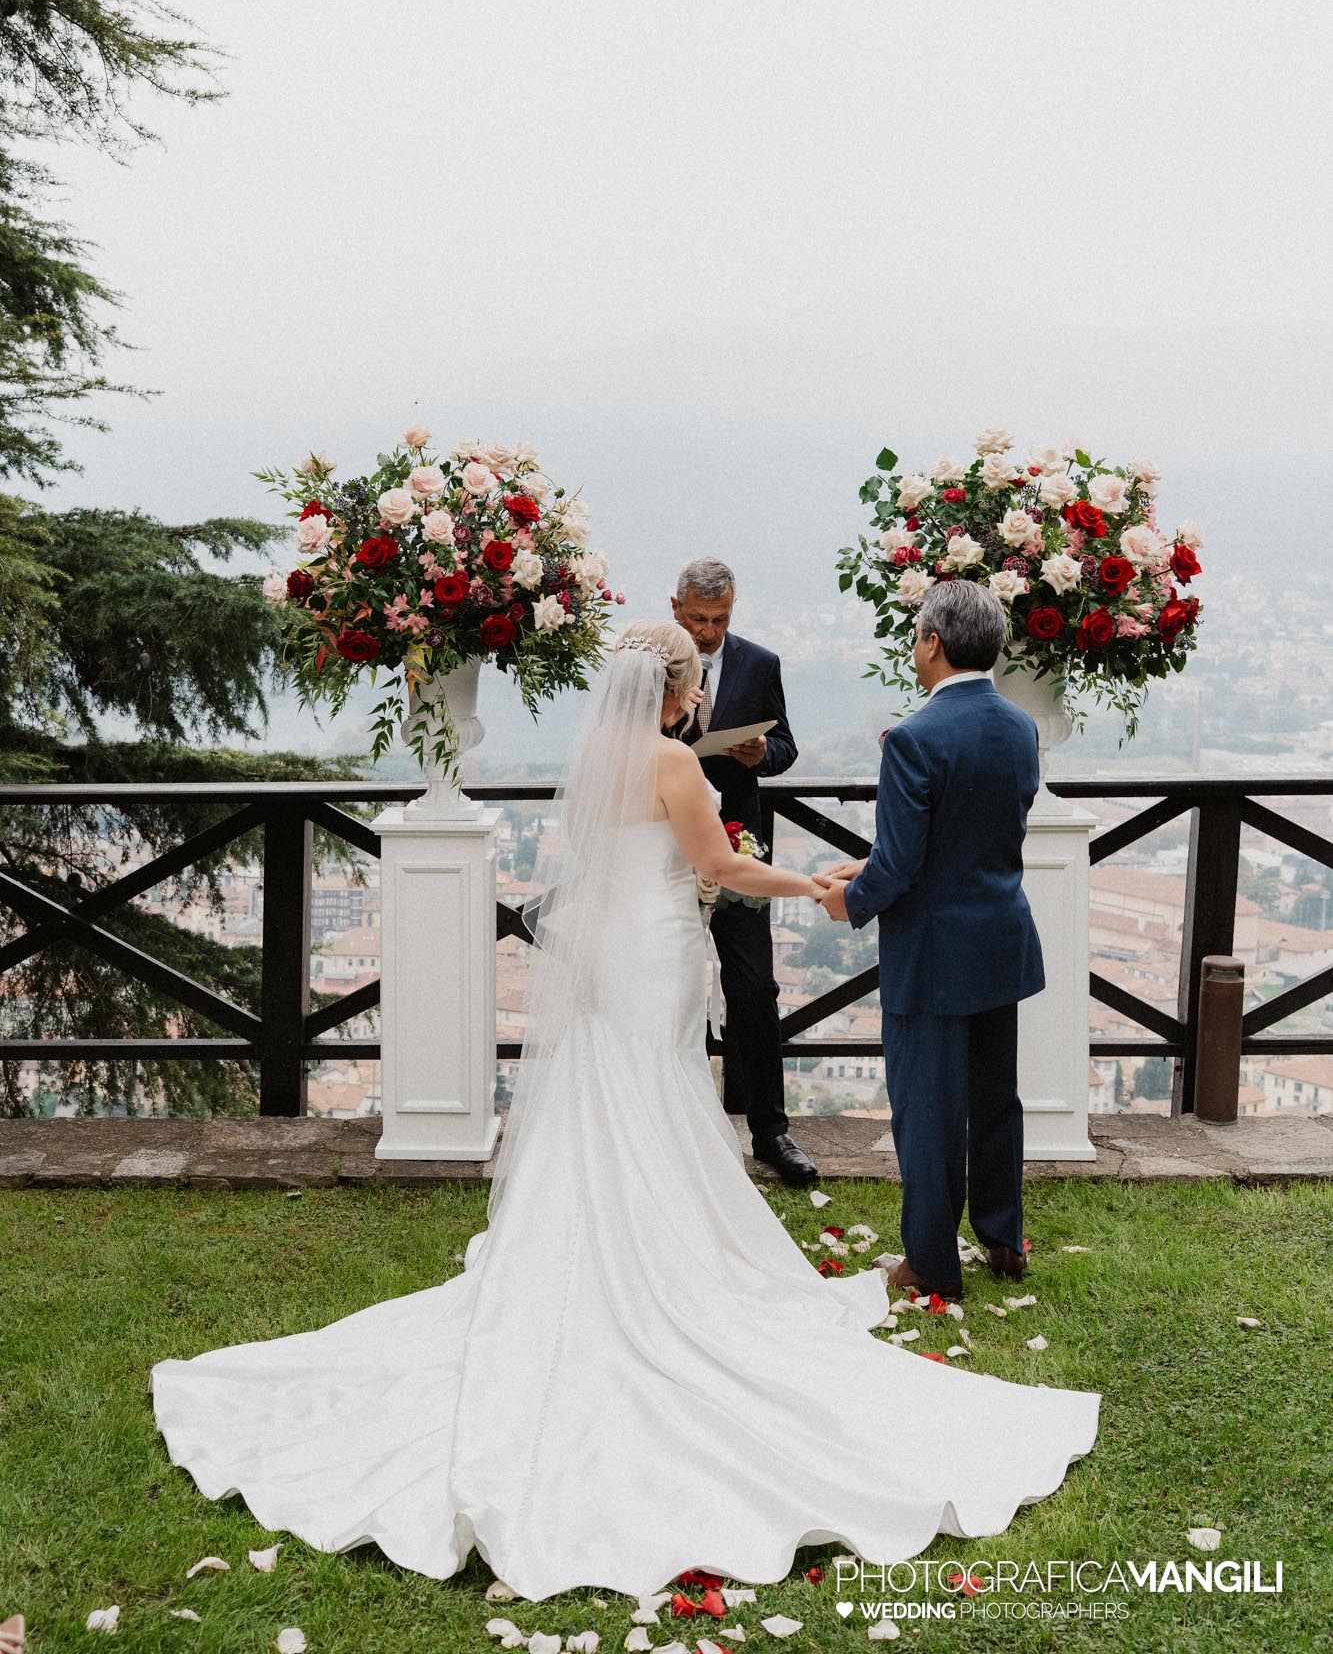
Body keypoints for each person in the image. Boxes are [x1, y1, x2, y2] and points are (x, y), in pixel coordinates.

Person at [151, 619, 1098, 1601]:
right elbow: (723, 870)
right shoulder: (676, 765)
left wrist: (784, 875)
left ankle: (601, 1236)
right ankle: (661, 1256)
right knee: (657, 1087)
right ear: (681, 690)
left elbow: (608, 860)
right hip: (654, 954)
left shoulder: (599, 758)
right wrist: (813, 882)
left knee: (613, 1092)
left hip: (614, 950)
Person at [814, 583, 1044, 1298]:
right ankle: (1002, 1239)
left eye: (915, 635)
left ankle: (929, 1264)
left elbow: (904, 861)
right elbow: (974, 834)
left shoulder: (914, 737)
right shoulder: (1019, 727)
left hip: (933, 954)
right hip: (998, 937)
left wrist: (848, 897)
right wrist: (877, 866)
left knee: (928, 1111)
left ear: (932, 642)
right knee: (994, 1097)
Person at [670, 557, 817, 1187]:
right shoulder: (651, 658)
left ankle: (770, 1131)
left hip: (737, 842)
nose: (707, 633)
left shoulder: (761, 664)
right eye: (698, 619)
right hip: (664, 842)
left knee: (755, 989)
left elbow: (786, 746)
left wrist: (761, 753)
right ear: (675, 608)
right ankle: (672, 1127)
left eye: (720, 620)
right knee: (665, 988)